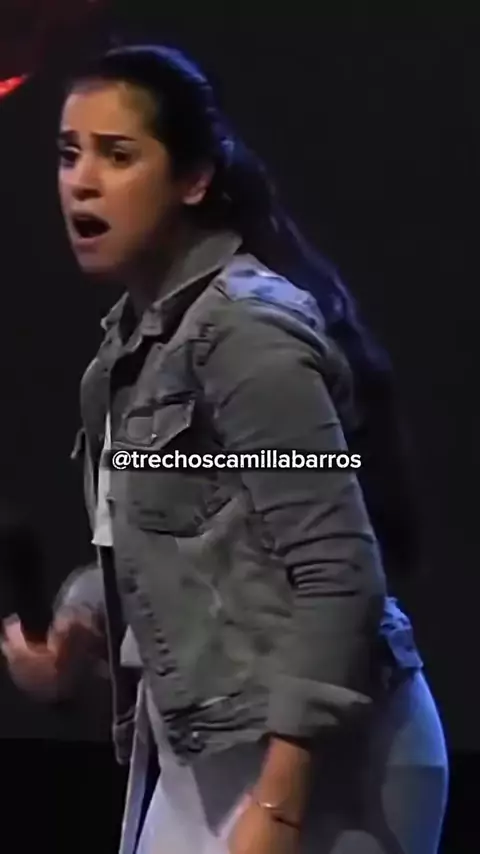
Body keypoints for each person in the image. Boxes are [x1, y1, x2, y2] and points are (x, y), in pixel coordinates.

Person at [1, 44, 448, 853]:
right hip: (203, 755)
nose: (82, 181)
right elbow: (187, 530)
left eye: (117, 154)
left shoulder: (245, 334)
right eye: (69, 153)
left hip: (326, 764)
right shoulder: (132, 346)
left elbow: (339, 573)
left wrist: (280, 804)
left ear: (195, 178)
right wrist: (80, 622)